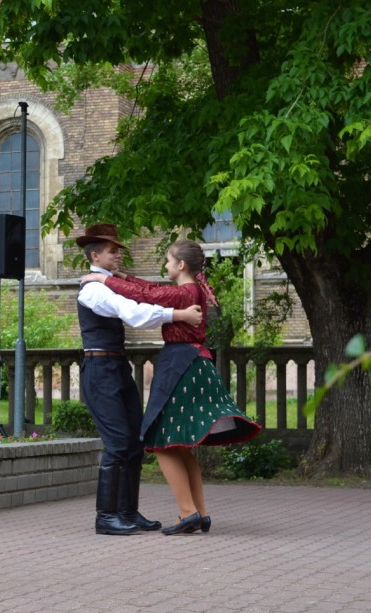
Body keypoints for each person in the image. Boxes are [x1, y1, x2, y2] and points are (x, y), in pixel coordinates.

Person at [84, 237, 261, 535]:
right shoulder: (192, 289)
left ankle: (187, 513)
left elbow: (147, 294)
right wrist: (122, 276)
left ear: (180, 265)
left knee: (161, 442)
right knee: (179, 446)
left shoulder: (184, 292)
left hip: (180, 363)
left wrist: (106, 279)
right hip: (193, 361)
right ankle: (199, 513)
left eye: (167, 261)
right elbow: (152, 289)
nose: (164, 265)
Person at [76, 224, 203, 535]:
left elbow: (146, 292)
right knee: (118, 443)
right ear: (95, 256)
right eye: (112, 251)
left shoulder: (108, 283)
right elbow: (133, 313)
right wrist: (178, 315)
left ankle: (128, 512)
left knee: (134, 441)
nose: (118, 255)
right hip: (99, 370)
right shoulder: (93, 289)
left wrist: (119, 278)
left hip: (117, 367)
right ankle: (106, 516)